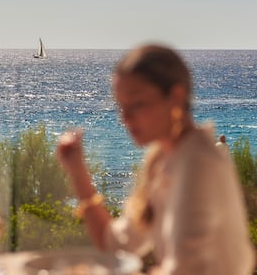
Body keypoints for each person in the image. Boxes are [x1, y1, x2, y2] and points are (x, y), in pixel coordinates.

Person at [56, 44, 255, 274]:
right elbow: (116, 245)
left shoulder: (199, 163)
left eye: (137, 104)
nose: (125, 118)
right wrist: (77, 172)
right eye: (121, 107)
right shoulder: (163, 161)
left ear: (176, 97)